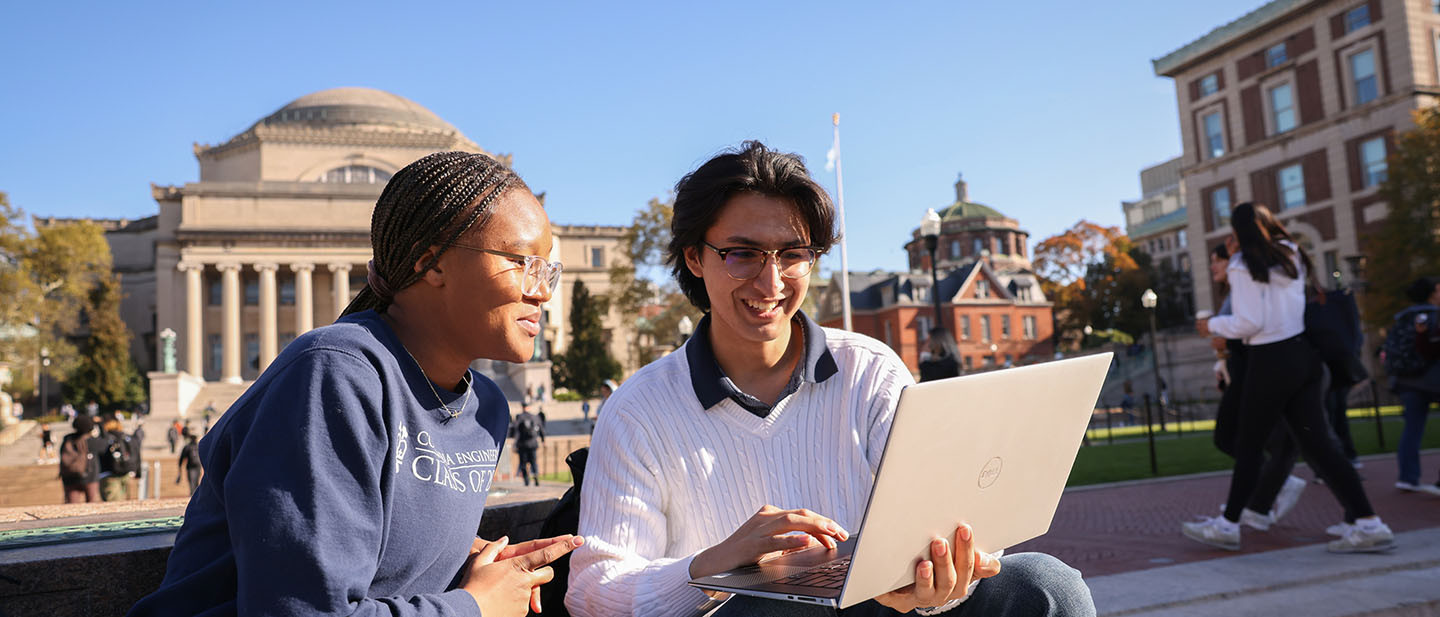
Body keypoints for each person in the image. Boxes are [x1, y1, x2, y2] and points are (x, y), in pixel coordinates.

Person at [568, 142, 1093, 617]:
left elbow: (957, 518)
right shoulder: (640, 409)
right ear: (694, 258)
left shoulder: (869, 369)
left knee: (1048, 587)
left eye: (793, 254)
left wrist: (938, 581)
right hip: (747, 616)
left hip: (882, 606)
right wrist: (712, 567)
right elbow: (592, 589)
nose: (771, 282)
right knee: (767, 604)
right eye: (743, 253)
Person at [128, 151, 583, 617]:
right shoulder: (334, 376)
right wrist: (477, 606)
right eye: (520, 262)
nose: (542, 291)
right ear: (433, 264)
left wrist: (462, 557)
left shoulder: (486, 407)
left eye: (548, 269)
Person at [1185, 203, 1392, 553]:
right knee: (1319, 445)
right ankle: (1369, 521)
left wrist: (1212, 326)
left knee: (1250, 445)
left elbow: (1250, 322)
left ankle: (1228, 524)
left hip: (1269, 360)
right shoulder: (1290, 253)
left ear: (1238, 232)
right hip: (1302, 355)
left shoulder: (1242, 264)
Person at [1205, 241, 1307, 530]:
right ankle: (1261, 494)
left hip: (1255, 376)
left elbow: (1247, 327)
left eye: (1217, 261)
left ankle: (1256, 499)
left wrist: (1220, 333)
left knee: (1237, 440)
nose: (1214, 266)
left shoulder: (1243, 287)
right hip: (1244, 375)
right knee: (1243, 441)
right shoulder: (1233, 291)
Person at [1390, 276, 1440, 496]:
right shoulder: (1434, 316)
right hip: (1433, 378)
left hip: (1408, 380)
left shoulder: (1402, 318)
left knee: (1412, 429)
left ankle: (1408, 477)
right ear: (1431, 294)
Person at [58, 415, 101, 503]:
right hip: (90, 476)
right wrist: (100, 423)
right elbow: (105, 443)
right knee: (92, 505)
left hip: (69, 476)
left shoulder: (67, 440)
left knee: (72, 506)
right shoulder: (91, 441)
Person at [98, 416, 135, 501]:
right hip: (126, 472)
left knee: (113, 503)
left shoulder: (105, 439)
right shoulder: (126, 437)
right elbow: (134, 453)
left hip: (109, 475)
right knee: (126, 503)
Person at [511, 407, 545, 486]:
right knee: (533, 461)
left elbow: (515, 430)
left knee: (523, 463)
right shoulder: (535, 417)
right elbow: (541, 428)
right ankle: (535, 475)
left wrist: (515, 442)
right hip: (533, 443)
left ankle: (526, 480)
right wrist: (543, 440)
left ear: (523, 407)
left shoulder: (520, 417)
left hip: (522, 444)